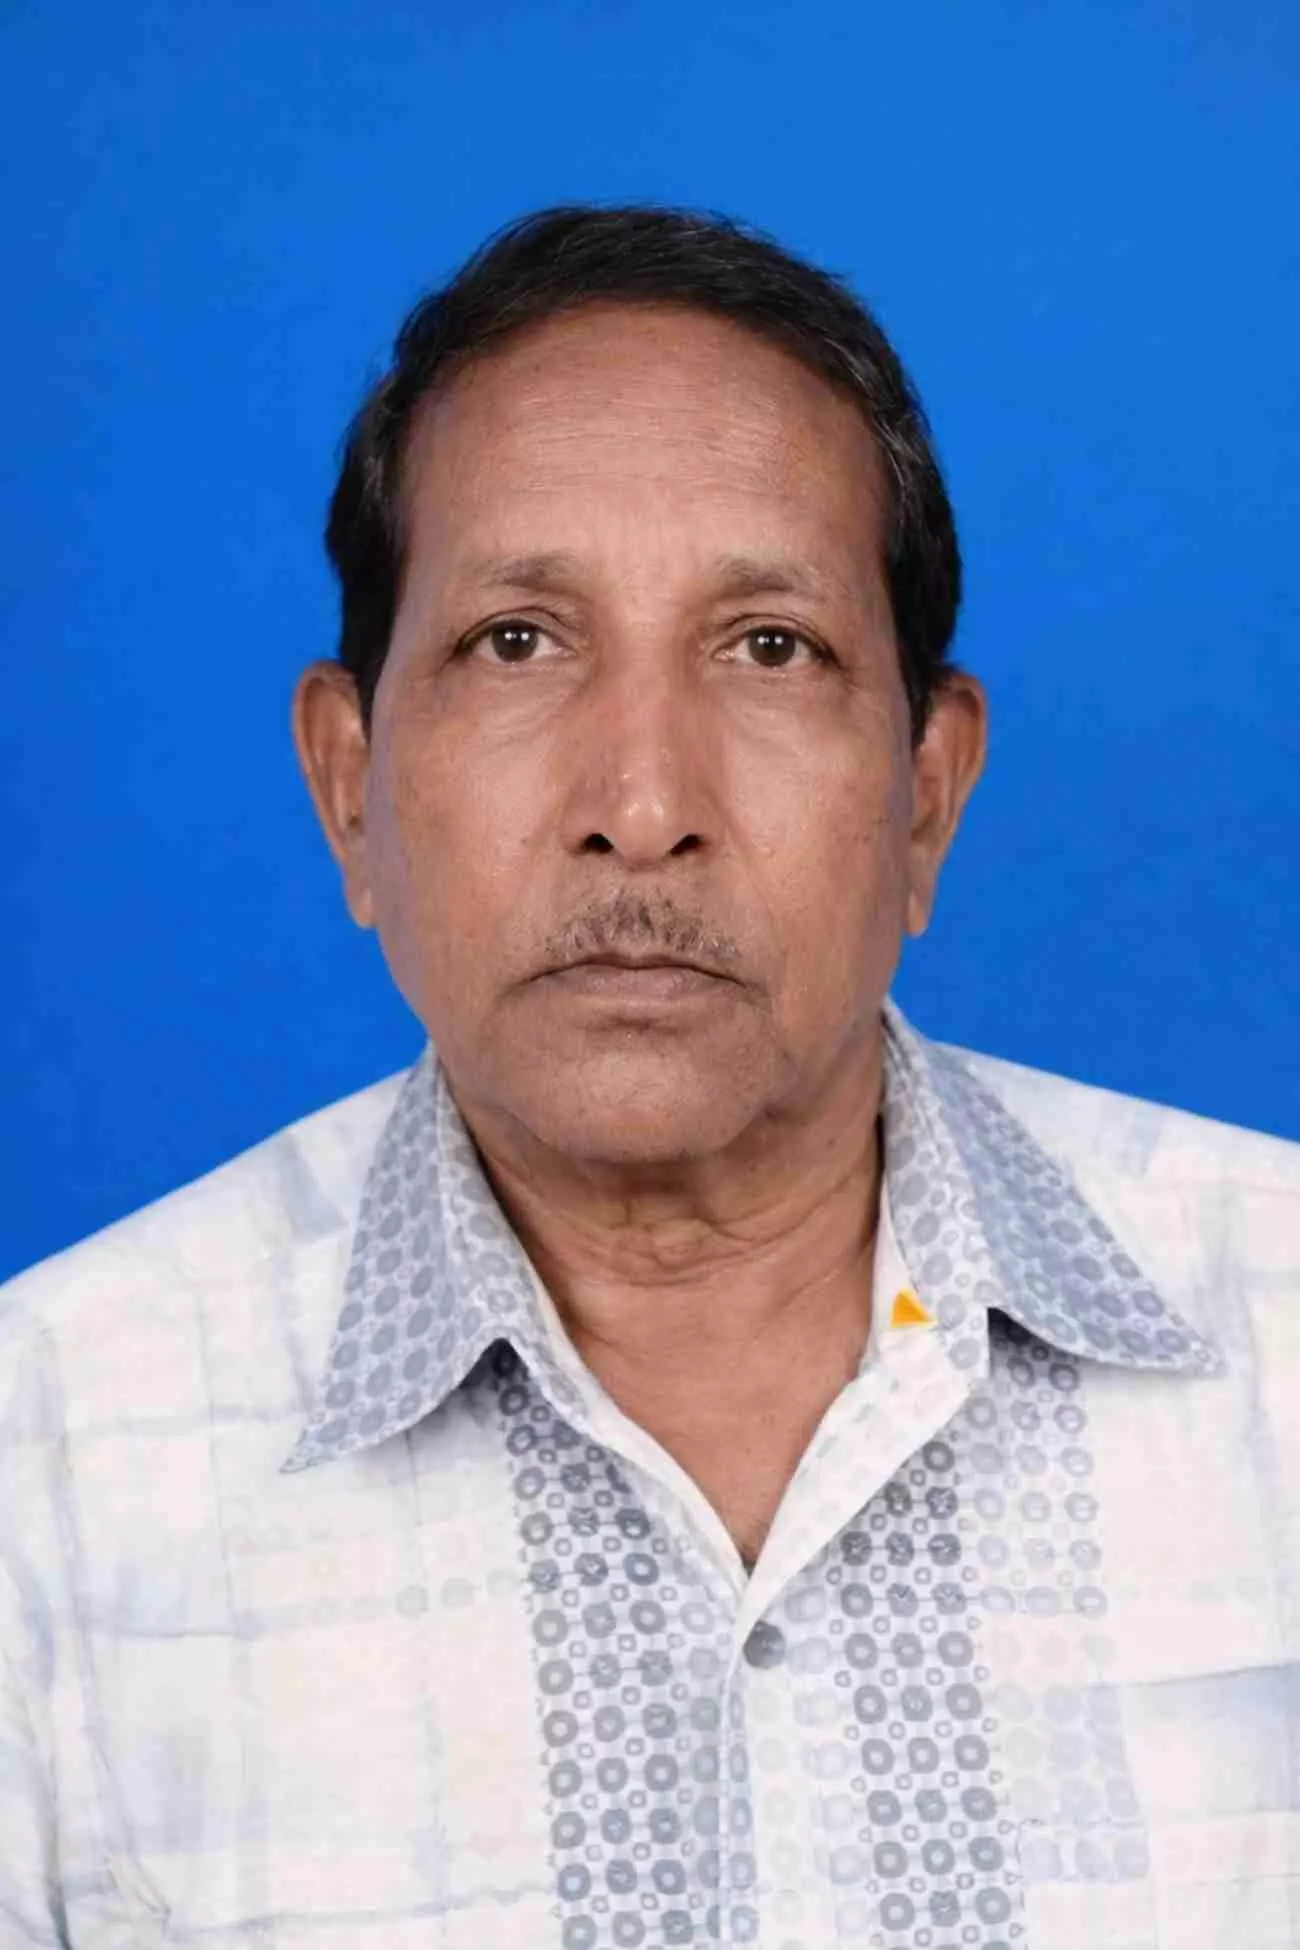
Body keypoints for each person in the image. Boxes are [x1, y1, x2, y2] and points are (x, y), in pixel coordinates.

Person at [1, 205, 1296, 1950]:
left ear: (926, 794)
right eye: (517, 640)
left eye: (769, 646)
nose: (642, 802)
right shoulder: (45, 1469)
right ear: (348, 787)